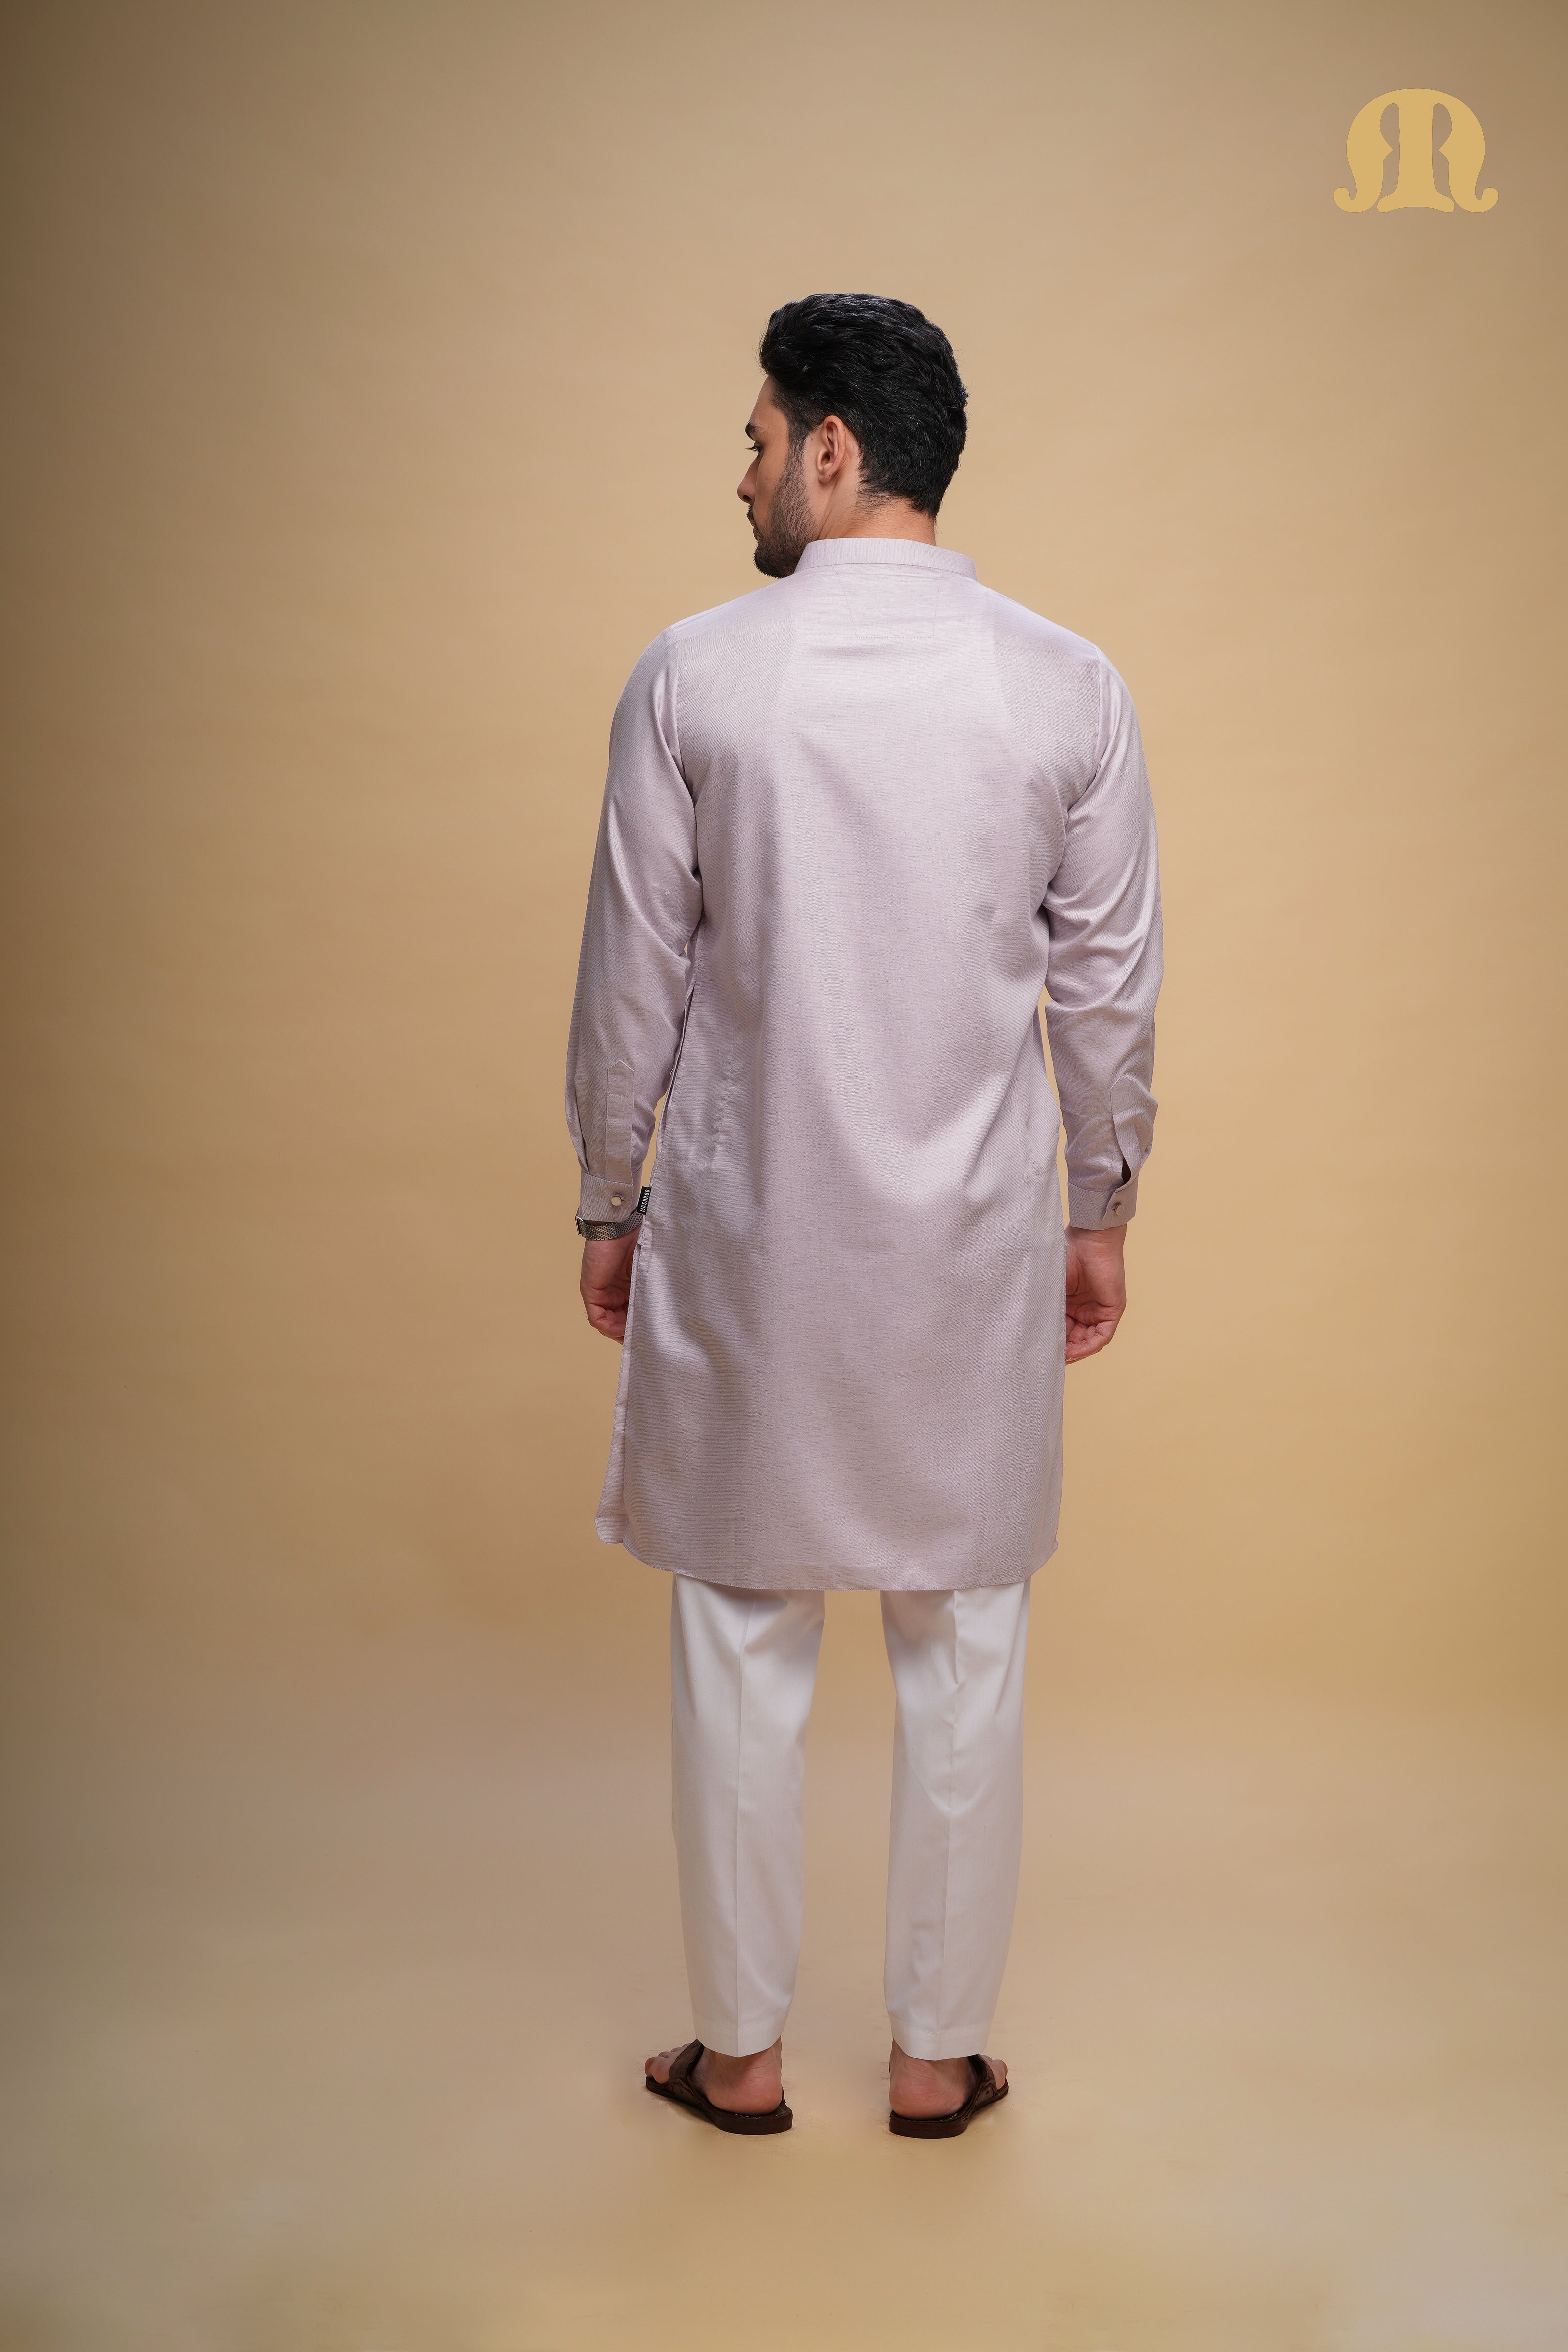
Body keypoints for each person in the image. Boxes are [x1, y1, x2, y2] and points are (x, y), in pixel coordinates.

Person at [565, 293, 1161, 2138]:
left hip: (751, 1234)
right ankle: (932, 2058)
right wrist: (1103, 1204)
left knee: (744, 1636)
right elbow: (1108, 989)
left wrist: (606, 1192)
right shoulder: (1067, 684)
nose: (742, 474)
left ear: (832, 449)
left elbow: (633, 979)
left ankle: (739, 2060)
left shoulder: (694, 674)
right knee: (964, 1639)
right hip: (972, 1240)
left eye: (757, 440)